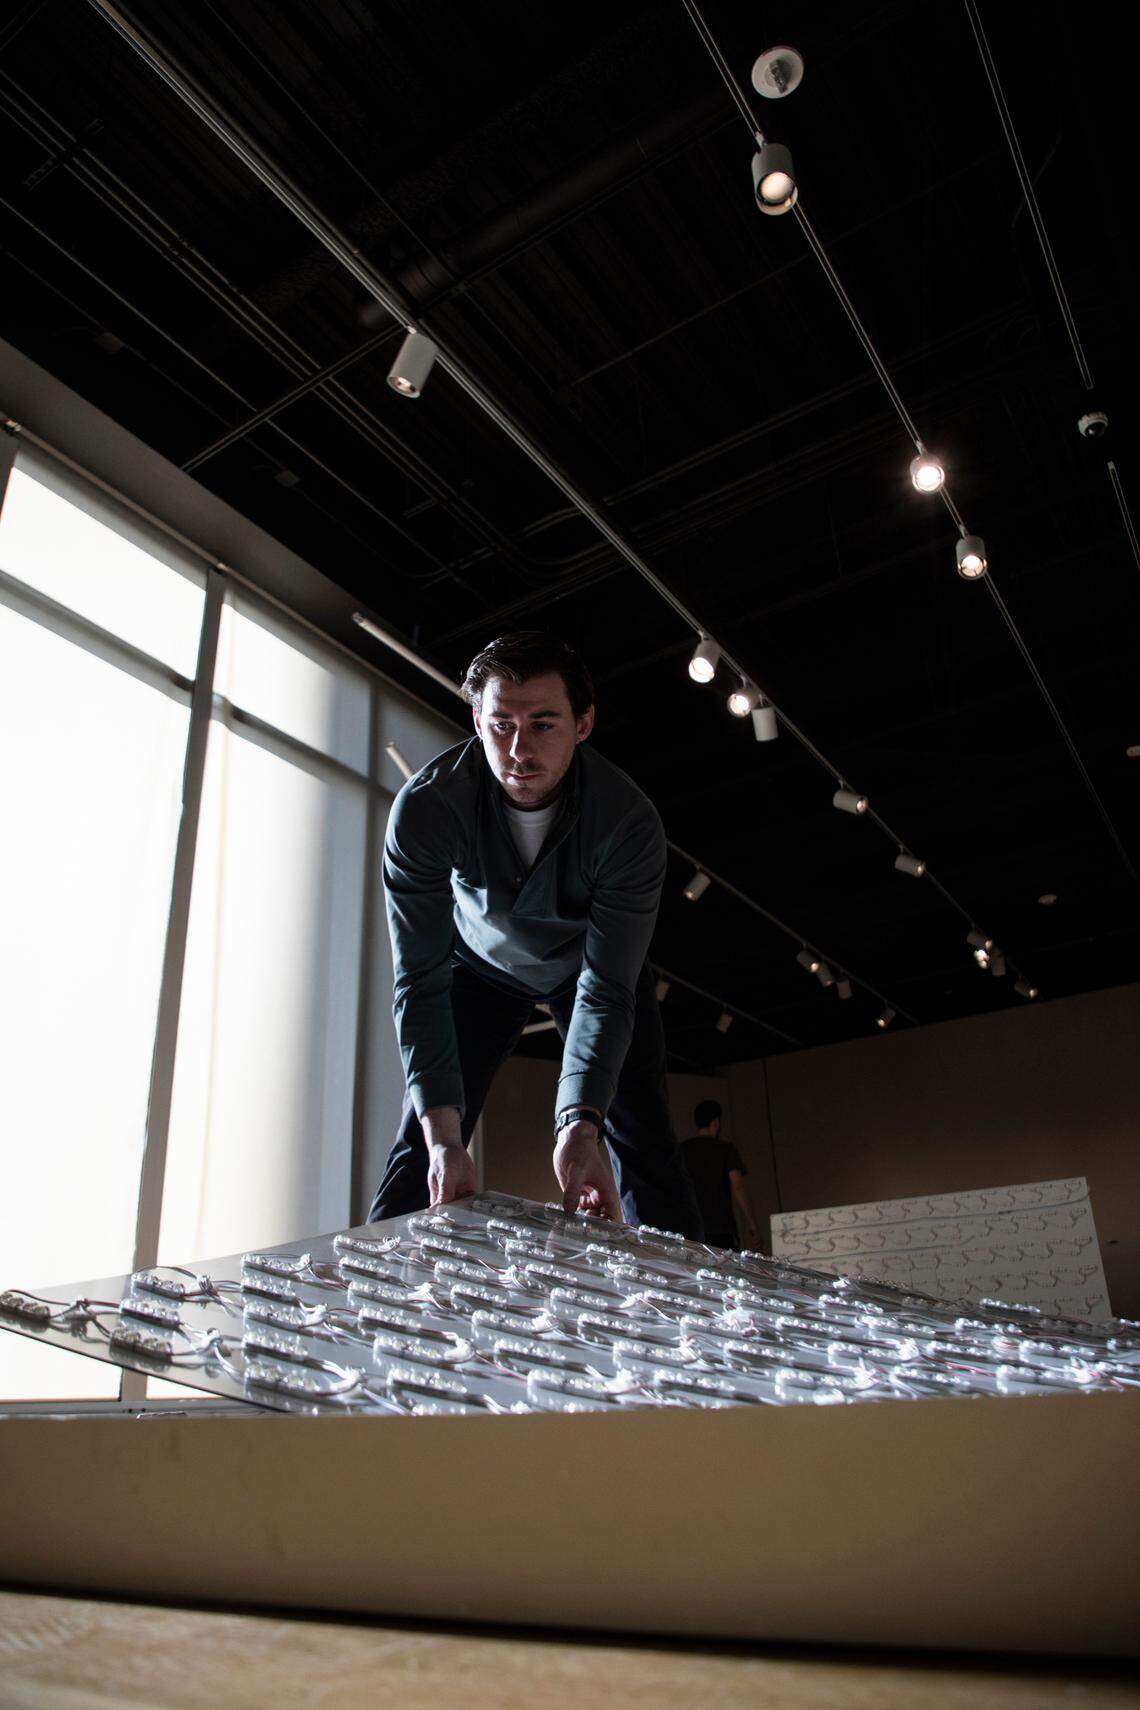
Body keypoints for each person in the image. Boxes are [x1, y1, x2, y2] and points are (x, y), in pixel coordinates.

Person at [368, 630, 704, 1236]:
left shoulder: (628, 824)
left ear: (584, 724)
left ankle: (692, 1309)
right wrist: (445, 1138)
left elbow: (606, 989)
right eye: (501, 725)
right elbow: (416, 980)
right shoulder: (425, 809)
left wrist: (578, 1124)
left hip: (587, 972)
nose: (519, 749)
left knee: (641, 1138)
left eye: (544, 725)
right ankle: (363, 1295)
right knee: (423, 1150)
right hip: (477, 968)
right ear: (476, 719)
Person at [680, 1100, 760, 1252]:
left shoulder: (682, 1150)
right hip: (722, 1229)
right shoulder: (726, 1150)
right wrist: (753, 1226)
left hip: (692, 1229)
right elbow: (738, 1186)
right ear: (716, 1122)